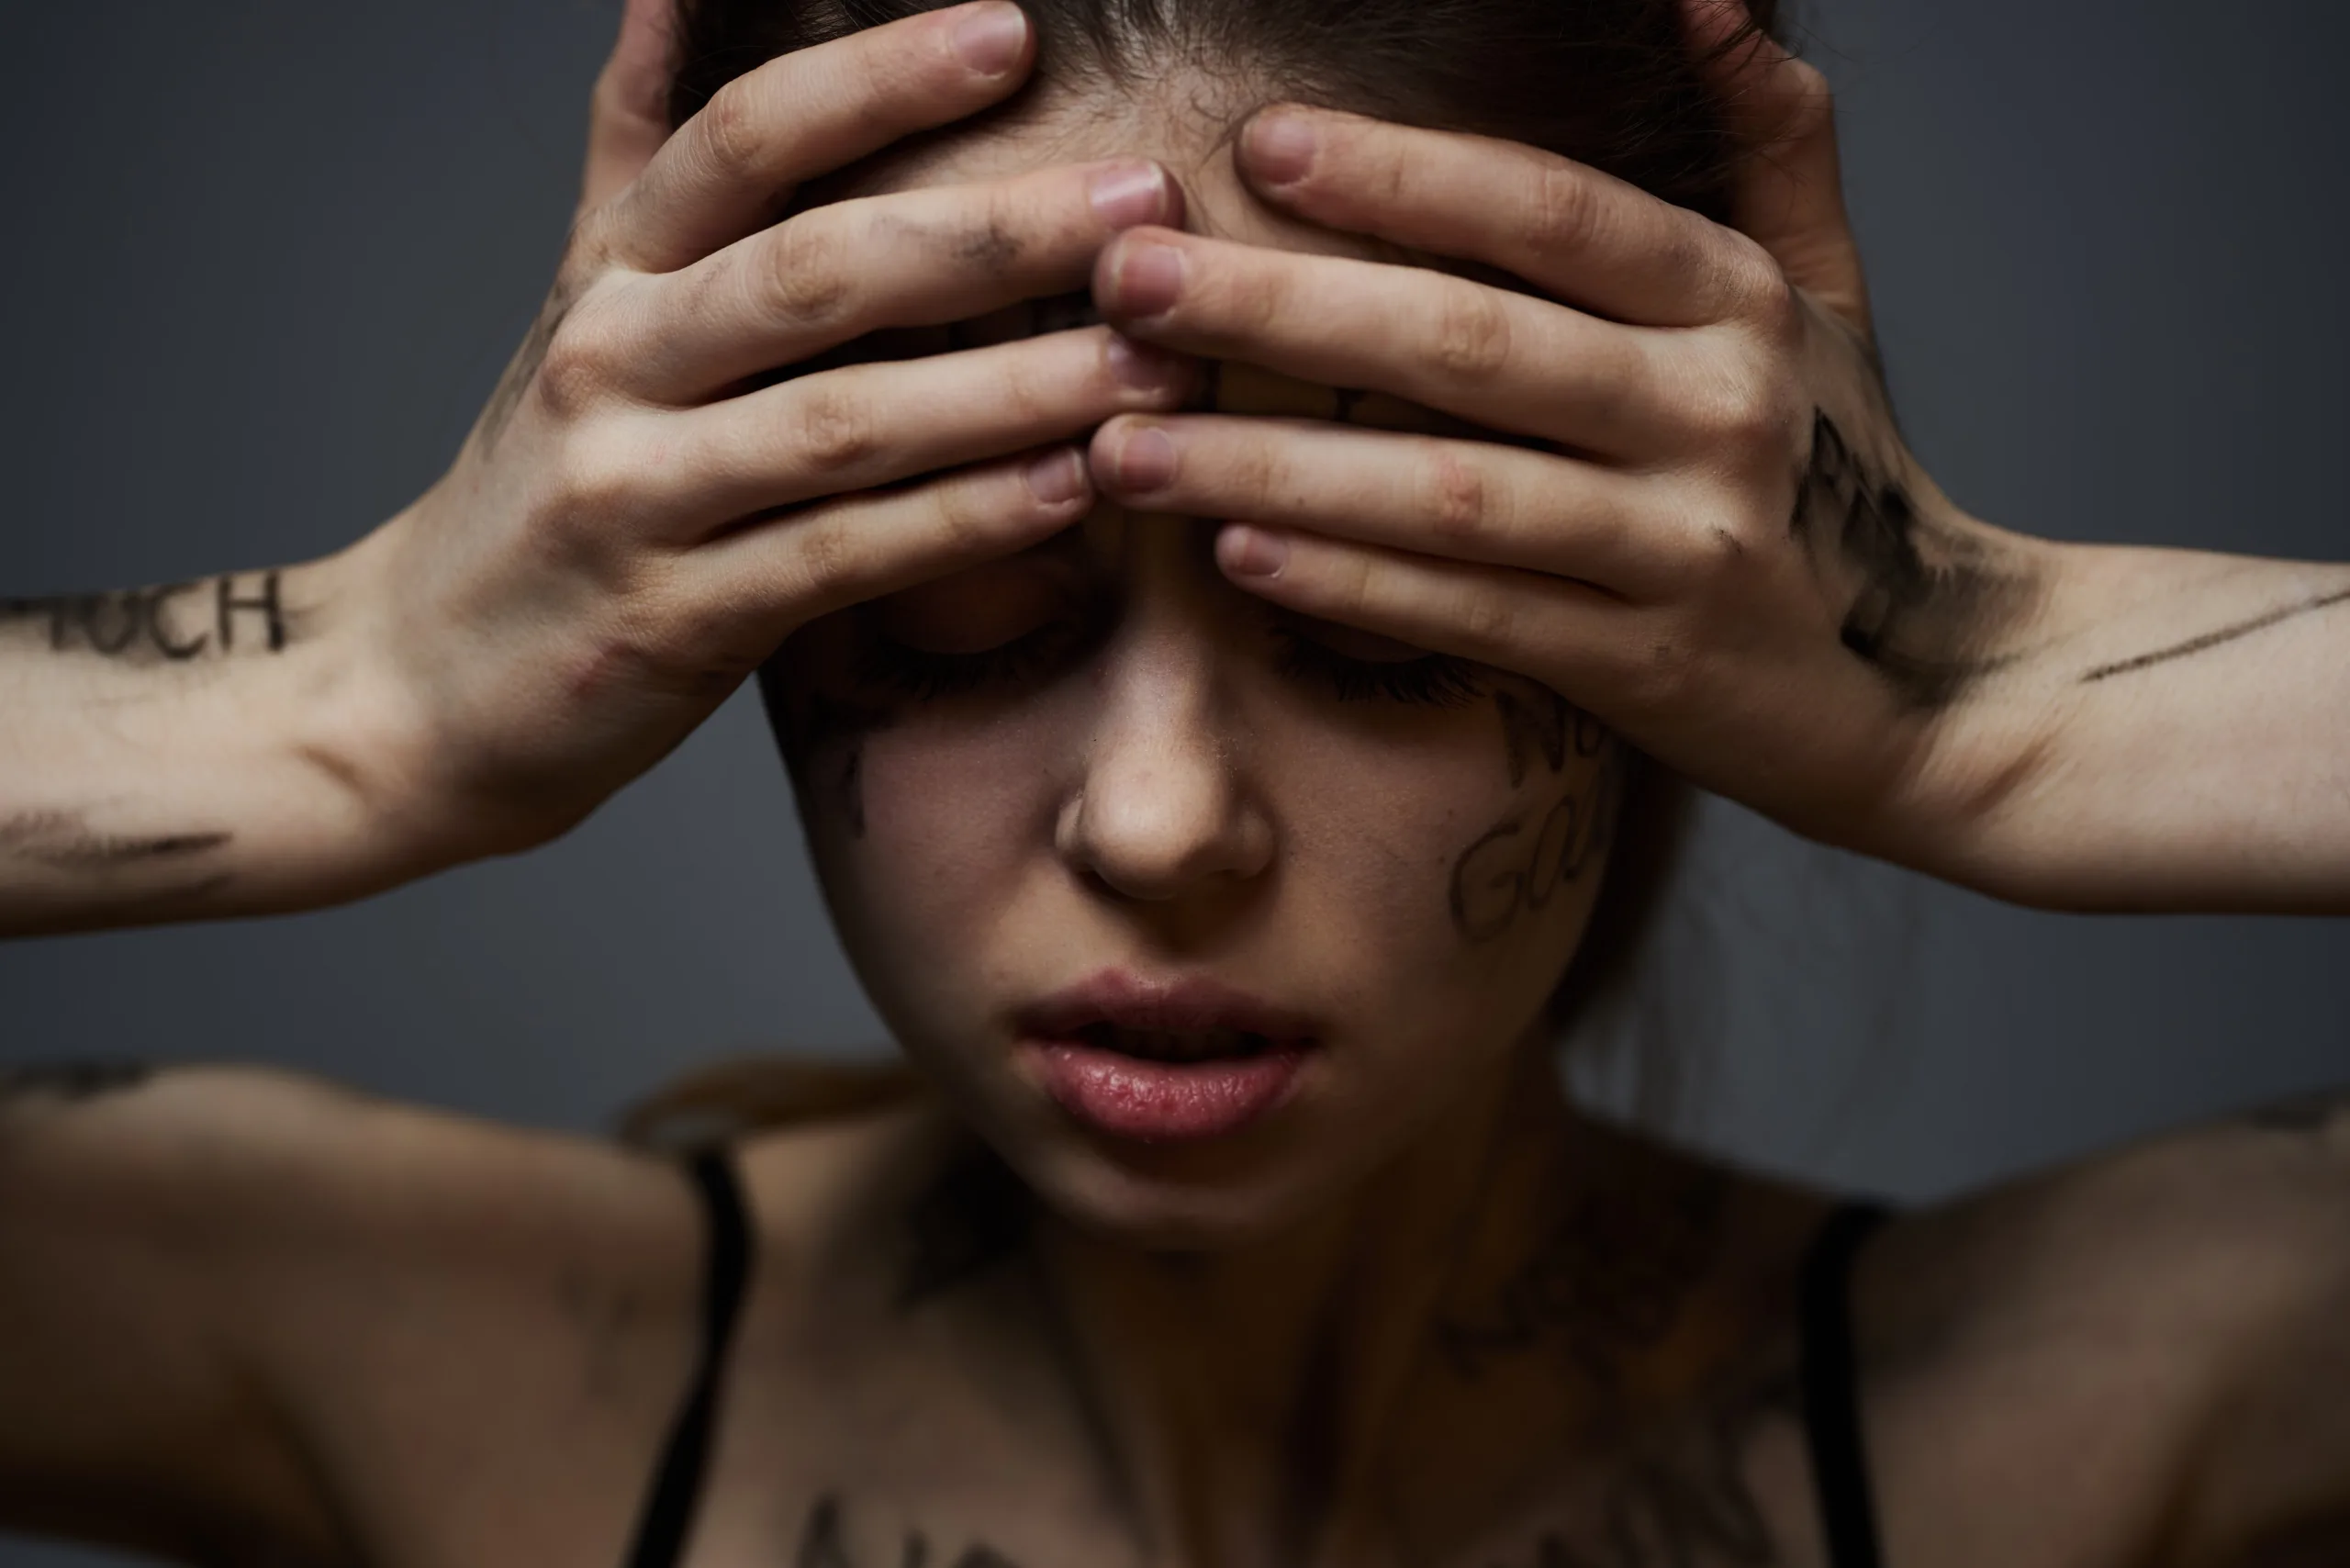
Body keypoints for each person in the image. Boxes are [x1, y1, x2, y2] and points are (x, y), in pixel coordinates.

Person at [0, 0, 2343, 1564]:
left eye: (1387, 614)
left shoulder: (2108, 1396)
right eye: (955, 608)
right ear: (726, 575)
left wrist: (1992, 683)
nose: (1155, 819)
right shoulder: (408, 1346)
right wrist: (346, 694)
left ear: (1694, 588)